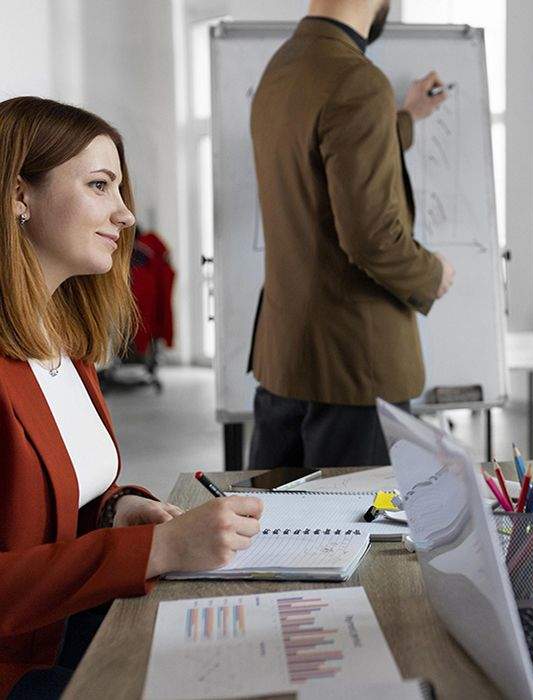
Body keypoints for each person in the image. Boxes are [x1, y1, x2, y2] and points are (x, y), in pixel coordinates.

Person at [0, 97, 265, 699]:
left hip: (72, 623)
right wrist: (158, 548)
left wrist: (118, 513)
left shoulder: (64, 343)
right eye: (100, 186)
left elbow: (49, 509)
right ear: (19, 195)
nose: (125, 216)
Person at [248, 0, 455, 469]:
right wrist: (432, 273)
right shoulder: (356, 81)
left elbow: (327, 150)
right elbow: (372, 238)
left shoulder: (283, 66)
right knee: (358, 539)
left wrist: (404, 118)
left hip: (286, 360)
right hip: (353, 370)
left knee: (277, 535)